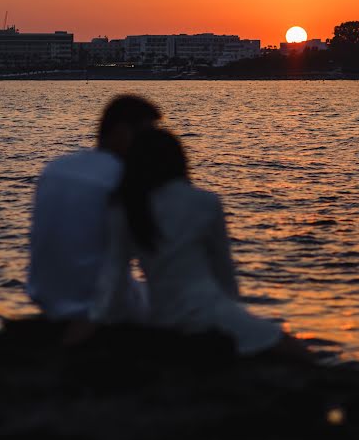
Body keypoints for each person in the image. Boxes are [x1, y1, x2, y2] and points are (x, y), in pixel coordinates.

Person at [92, 127, 314, 359]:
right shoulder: (204, 202)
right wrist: (235, 316)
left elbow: (115, 275)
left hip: (162, 315)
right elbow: (225, 275)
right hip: (210, 313)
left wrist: (101, 322)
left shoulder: (127, 208)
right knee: (297, 351)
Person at [27, 95, 162, 333]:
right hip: (100, 307)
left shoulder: (55, 169)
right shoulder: (124, 178)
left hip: (46, 297)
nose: (151, 146)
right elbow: (150, 254)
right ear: (122, 132)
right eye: (147, 136)